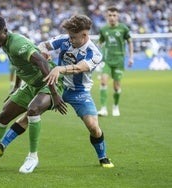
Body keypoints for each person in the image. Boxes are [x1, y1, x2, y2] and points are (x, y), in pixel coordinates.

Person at [0, 15, 67, 173]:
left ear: (5, 31)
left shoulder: (17, 44)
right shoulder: (5, 43)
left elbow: (42, 62)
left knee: (33, 110)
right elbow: (20, 65)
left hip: (49, 82)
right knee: (4, 115)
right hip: (31, 84)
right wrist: (16, 87)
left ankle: (32, 157)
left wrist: (54, 93)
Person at [40, 14, 114, 168]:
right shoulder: (65, 39)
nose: (70, 39)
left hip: (79, 91)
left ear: (85, 35)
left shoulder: (95, 53)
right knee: (31, 112)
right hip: (57, 85)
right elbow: (43, 45)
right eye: (69, 36)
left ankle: (103, 157)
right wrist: (43, 52)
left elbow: (80, 68)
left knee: (93, 127)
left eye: (73, 37)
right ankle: (0, 146)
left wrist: (60, 68)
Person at [97, 6, 134, 117]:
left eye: (114, 15)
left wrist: (131, 57)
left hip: (119, 61)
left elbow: (130, 42)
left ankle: (115, 106)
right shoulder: (103, 29)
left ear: (117, 16)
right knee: (103, 82)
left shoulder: (123, 28)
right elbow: (100, 42)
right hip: (107, 60)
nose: (112, 17)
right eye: (110, 15)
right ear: (107, 16)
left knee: (116, 87)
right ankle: (103, 108)